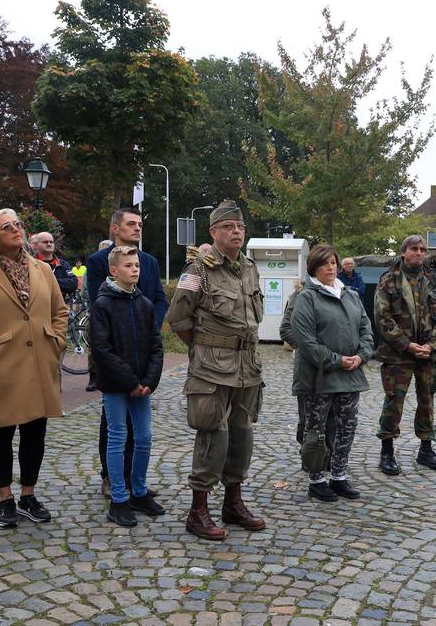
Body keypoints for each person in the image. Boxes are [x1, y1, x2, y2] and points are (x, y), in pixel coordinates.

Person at [0, 209, 68, 528]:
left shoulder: (42, 269)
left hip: (40, 363)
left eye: (18, 224)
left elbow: (59, 311)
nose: (16, 230)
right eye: (7, 227)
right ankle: (5, 498)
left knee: (35, 433)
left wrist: (57, 342)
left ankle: (28, 495)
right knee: (1, 434)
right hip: (2, 366)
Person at [166, 200, 266, 540]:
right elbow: (178, 319)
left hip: (247, 367)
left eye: (239, 226)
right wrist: (204, 347)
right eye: (228, 227)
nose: (236, 231)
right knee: (214, 437)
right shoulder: (198, 270)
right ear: (213, 232)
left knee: (242, 436)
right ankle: (198, 512)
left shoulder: (250, 267)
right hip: (211, 369)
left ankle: (232, 504)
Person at [86, 209, 167, 497]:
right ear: (115, 228)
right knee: (113, 426)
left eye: (140, 224)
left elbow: (158, 299)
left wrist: (149, 327)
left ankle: (136, 480)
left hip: (142, 349)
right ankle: (111, 478)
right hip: (115, 353)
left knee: (141, 431)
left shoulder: (149, 262)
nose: (137, 228)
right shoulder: (99, 262)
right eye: (131, 224)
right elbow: (98, 303)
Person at [290, 245, 374, 502]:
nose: (331, 267)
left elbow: (366, 329)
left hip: (350, 375)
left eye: (333, 262)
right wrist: (337, 360)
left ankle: (338, 476)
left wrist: (361, 355)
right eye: (324, 263)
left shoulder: (350, 295)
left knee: (347, 427)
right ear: (314, 268)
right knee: (315, 430)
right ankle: (316, 480)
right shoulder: (307, 297)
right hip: (319, 377)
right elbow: (305, 341)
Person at [374, 235, 436, 475]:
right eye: (414, 249)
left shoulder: (434, 281)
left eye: (423, 249)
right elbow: (382, 317)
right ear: (404, 251)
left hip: (428, 355)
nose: (419, 253)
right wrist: (407, 345)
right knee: (394, 402)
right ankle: (387, 451)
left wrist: (432, 345)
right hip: (399, 355)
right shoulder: (389, 281)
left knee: (427, 401)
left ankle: (425, 449)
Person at [30, 232, 80, 301]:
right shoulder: (31, 263)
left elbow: (73, 284)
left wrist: (50, 281)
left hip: (61, 306)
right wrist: (62, 283)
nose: (49, 244)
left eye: (51, 242)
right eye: (45, 242)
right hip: (39, 305)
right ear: (36, 245)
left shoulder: (62, 264)